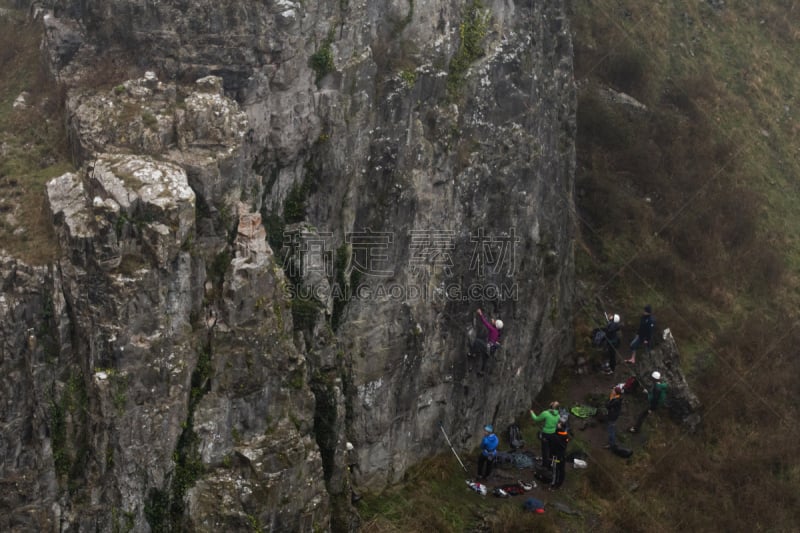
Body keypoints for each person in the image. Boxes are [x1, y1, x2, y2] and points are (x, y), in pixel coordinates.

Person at [475, 308, 503, 375]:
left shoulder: (493, 330)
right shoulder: (497, 332)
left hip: (487, 347)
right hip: (490, 350)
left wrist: (480, 314)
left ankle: (472, 353)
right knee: (484, 359)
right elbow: (494, 326)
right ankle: (482, 372)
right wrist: (494, 322)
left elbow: (485, 323)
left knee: (477, 341)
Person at [549, 422, 570, 490]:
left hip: (557, 456)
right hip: (561, 455)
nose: (557, 424)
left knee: (556, 469)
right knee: (560, 469)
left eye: (559, 424)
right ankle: (559, 482)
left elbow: (556, 442)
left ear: (561, 427)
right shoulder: (563, 434)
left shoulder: (559, 436)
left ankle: (554, 484)